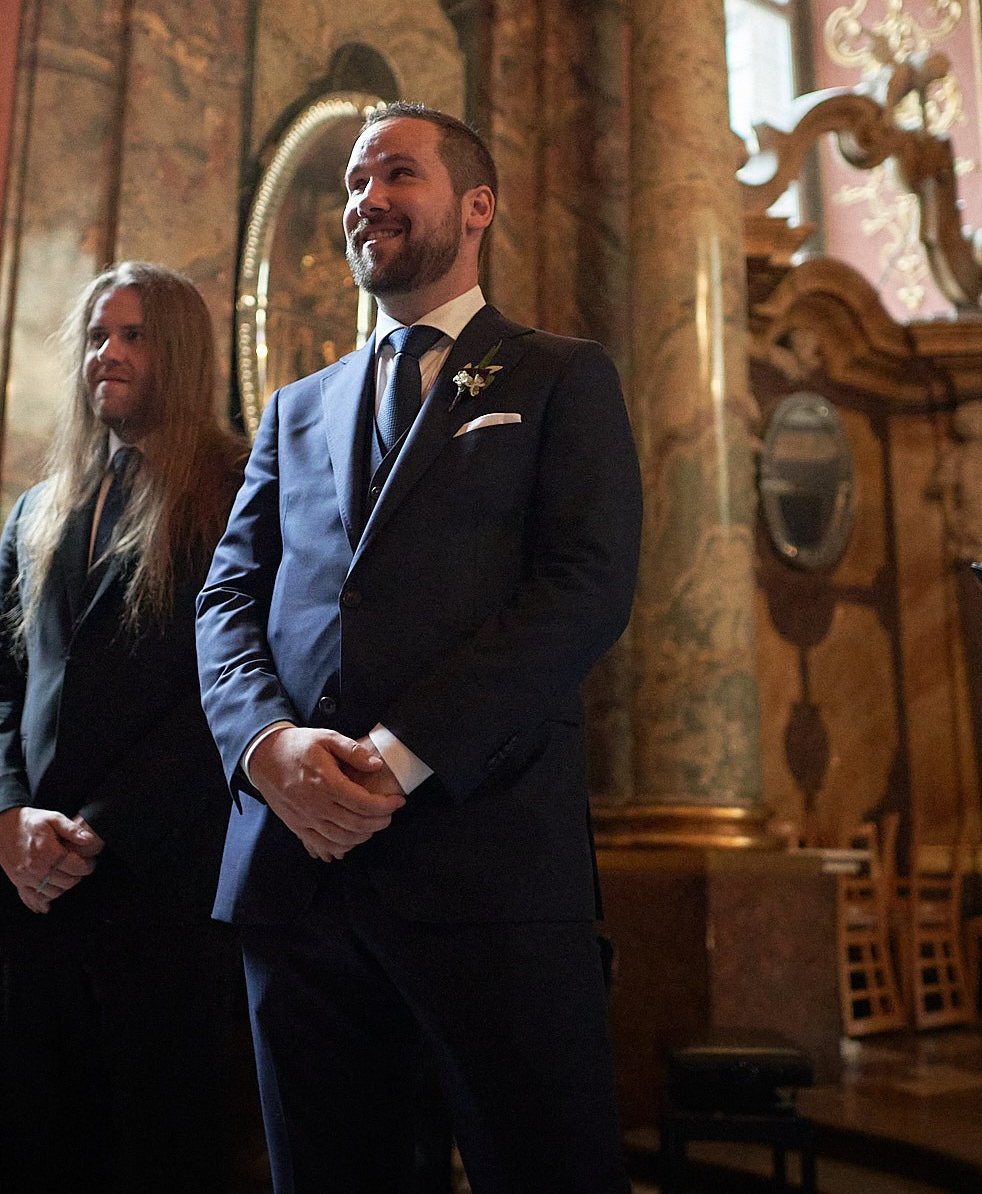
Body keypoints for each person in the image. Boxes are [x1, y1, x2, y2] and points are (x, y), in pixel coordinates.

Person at [197, 102, 643, 1194]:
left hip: (481, 862)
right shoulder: (295, 409)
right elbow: (227, 598)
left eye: (396, 173)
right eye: (354, 182)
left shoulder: (554, 377)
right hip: (295, 872)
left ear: (475, 207)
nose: (365, 199)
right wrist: (268, 750)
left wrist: (396, 758)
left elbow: (582, 588)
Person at [0, 261, 249, 1192]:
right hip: (30, 900)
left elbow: (234, 688)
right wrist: (5, 818)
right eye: (95, 335)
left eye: (132, 335)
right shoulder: (40, 509)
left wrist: (100, 829)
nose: (106, 354)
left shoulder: (239, 489)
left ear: (181, 352)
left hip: (160, 899)